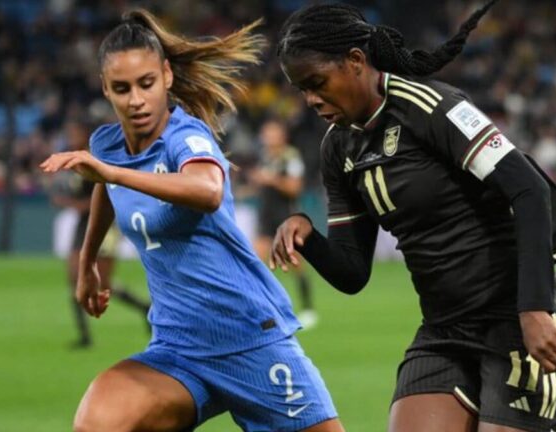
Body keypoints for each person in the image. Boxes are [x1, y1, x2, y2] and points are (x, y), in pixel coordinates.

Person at [270, 2, 556, 432]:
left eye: (317, 82)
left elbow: (529, 189)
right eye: (301, 89)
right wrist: (308, 236)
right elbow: (352, 272)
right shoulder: (338, 149)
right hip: (444, 330)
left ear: (356, 62)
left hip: (517, 318)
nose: (310, 99)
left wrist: (533, 310)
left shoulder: (431, 105)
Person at [40, 9, 343, 432]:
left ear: (165, 76)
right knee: (99, 422)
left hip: (248, 338)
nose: (136, 99)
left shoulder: (186, 136)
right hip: (177, 349)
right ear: (105, 89)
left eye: (146, 83)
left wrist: (111, 173)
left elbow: (207, 190)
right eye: (122, 88)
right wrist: (88, 261)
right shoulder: (107, 145)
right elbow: (104, 191)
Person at [50, 119, 151, 349]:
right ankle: (84, 336)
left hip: (104, 226)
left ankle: (144, 307)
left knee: (103, 283)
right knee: (74, 278)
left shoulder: (97, 160)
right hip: (81, 226)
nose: (71, 136)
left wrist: (73, 204)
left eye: (75, 132)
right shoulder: (76, 161)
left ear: (85, 134)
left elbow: (106, 193)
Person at [249, 118, 317, 328]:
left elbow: (295, 188)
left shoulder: (291, 158)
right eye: (266, 134)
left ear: (282, 136)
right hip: (265, 219)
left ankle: (308, 309)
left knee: (295, 265)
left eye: (272, 133)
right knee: (255, 266)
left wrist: (272, 180)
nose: (268, 138)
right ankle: (264, 312)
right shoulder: (265, 157)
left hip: (285, 220)